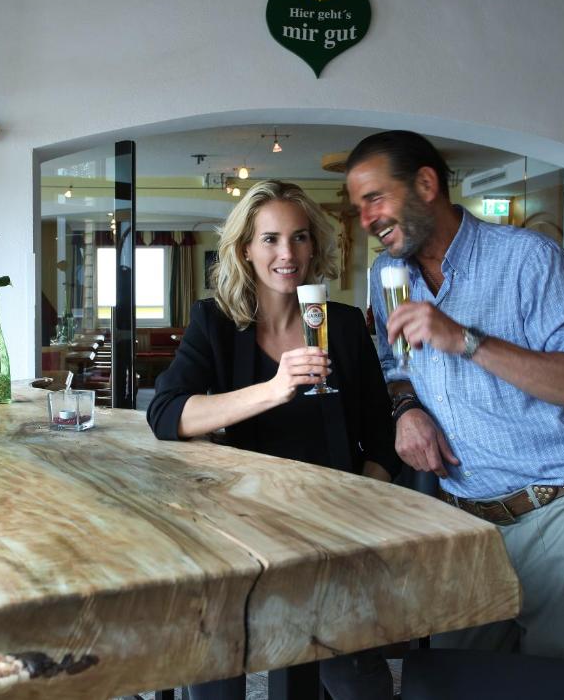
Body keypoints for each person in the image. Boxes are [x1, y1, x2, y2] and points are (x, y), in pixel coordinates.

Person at [346, 130, 564, 662]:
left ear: (426, 185)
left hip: (558, 516)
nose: (366, 219)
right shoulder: (387, 274)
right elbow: (395, 365)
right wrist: (406, 409)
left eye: (375, 198)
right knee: (459, 683)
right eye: (359, 207)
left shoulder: (529, 260)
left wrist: (464, 340)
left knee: (563, 688)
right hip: (465, 525)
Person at [147, 180, 401, 700]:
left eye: (300, 237)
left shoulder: (343, 325)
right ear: (246, 249)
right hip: (240, 528)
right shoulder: (215, 322)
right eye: (270, 239)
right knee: (217, 664)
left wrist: (365, 500)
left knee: (350, 677)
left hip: (331, 528)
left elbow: (381, 431)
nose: (288, 254)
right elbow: (167, 412)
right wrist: (273, 389)